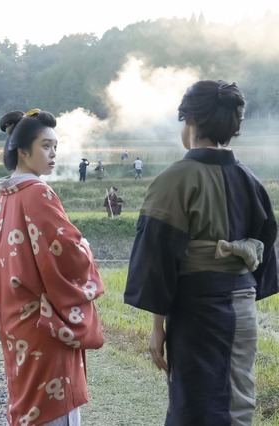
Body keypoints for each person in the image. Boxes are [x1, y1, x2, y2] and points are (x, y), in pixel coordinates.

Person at [124, 80, 278, 425]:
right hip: (242, 308)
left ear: (190, 121)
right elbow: (266, 244)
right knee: (237, 402)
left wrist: (157, 327)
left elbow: (157, 256)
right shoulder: (249, 178)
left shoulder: (175, 179)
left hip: (197, 310)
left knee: (194, 406)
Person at [0, 109, 105, 426]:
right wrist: (86, 247)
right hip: (44, 322)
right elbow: (65, 251)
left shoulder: (5, 195)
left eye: (55, 146)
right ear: (23, 151)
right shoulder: (37, 192)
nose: (53, 153)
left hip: (15, 318)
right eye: (46, 146)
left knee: (27, 403)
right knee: (53, 406)